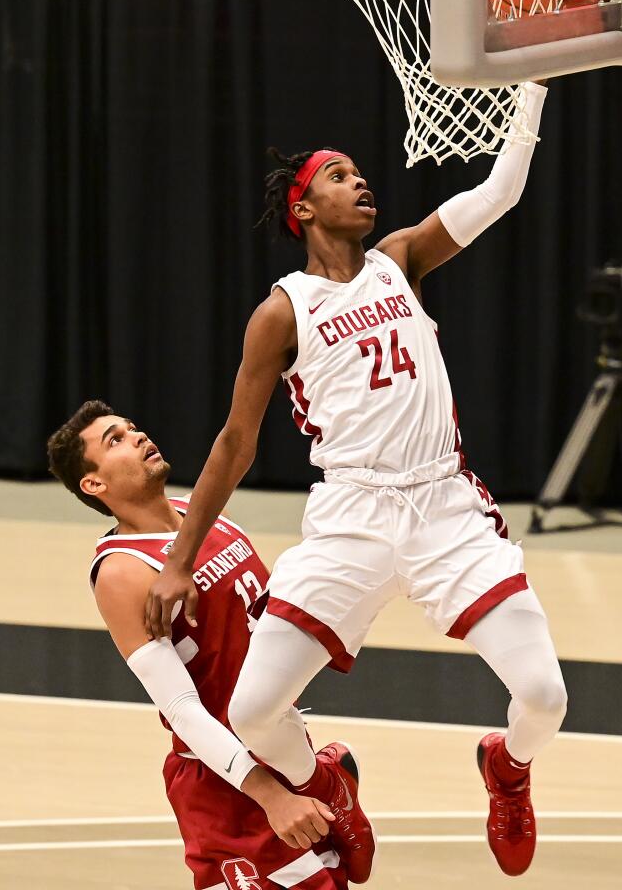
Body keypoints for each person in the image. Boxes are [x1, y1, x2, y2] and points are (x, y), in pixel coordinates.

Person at [145, 81, 567, 878]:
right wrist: (175, 559)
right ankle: (328, 786)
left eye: (361, 173)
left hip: (445, 504)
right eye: (338, 176)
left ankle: (507, 769)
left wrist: (535, 82)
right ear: (302, 210)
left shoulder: (400, 260)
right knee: (253, 711)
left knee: (545, 698)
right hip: (352, 515)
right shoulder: (282, 311)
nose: (360, 182)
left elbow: (502, 190)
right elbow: (235, 443)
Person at [47, 399, 350, 890]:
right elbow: (184, 712)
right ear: (94, 484)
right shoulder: (122, 570)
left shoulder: (202, 514)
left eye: (132, 427)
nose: (138, 436)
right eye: (115, 440)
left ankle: (332, 781)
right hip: (224, 783)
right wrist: (270, 796)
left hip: (283, 750)